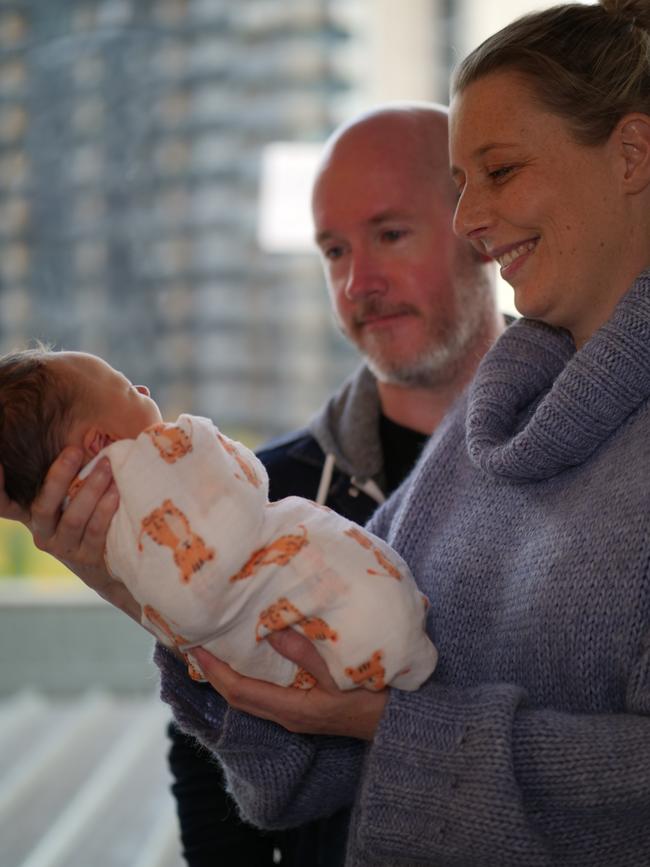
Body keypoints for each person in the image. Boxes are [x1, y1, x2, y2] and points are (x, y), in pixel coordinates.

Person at [152, 2, 650, 863]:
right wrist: (137, 575)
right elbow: (297, 744)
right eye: (333, 250)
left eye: (499, 171)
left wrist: (390, 725)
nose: (470, 220)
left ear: (633, 155)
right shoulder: (483, 435)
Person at [0, 102, 506, 865]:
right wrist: (129, 591)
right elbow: (223, 804)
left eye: (390, 234)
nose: (358, 281)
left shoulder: (593, 462)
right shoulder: (260, 486)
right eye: (334, 250)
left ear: (484, 227)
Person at [0, 347, 437, 692]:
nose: (146, 391)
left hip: (262, 662)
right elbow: (247, 485)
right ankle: (395, 645)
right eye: (127, 389)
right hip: (322, 605)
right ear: (101, 441)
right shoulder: (169, 455)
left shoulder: (106, 540)